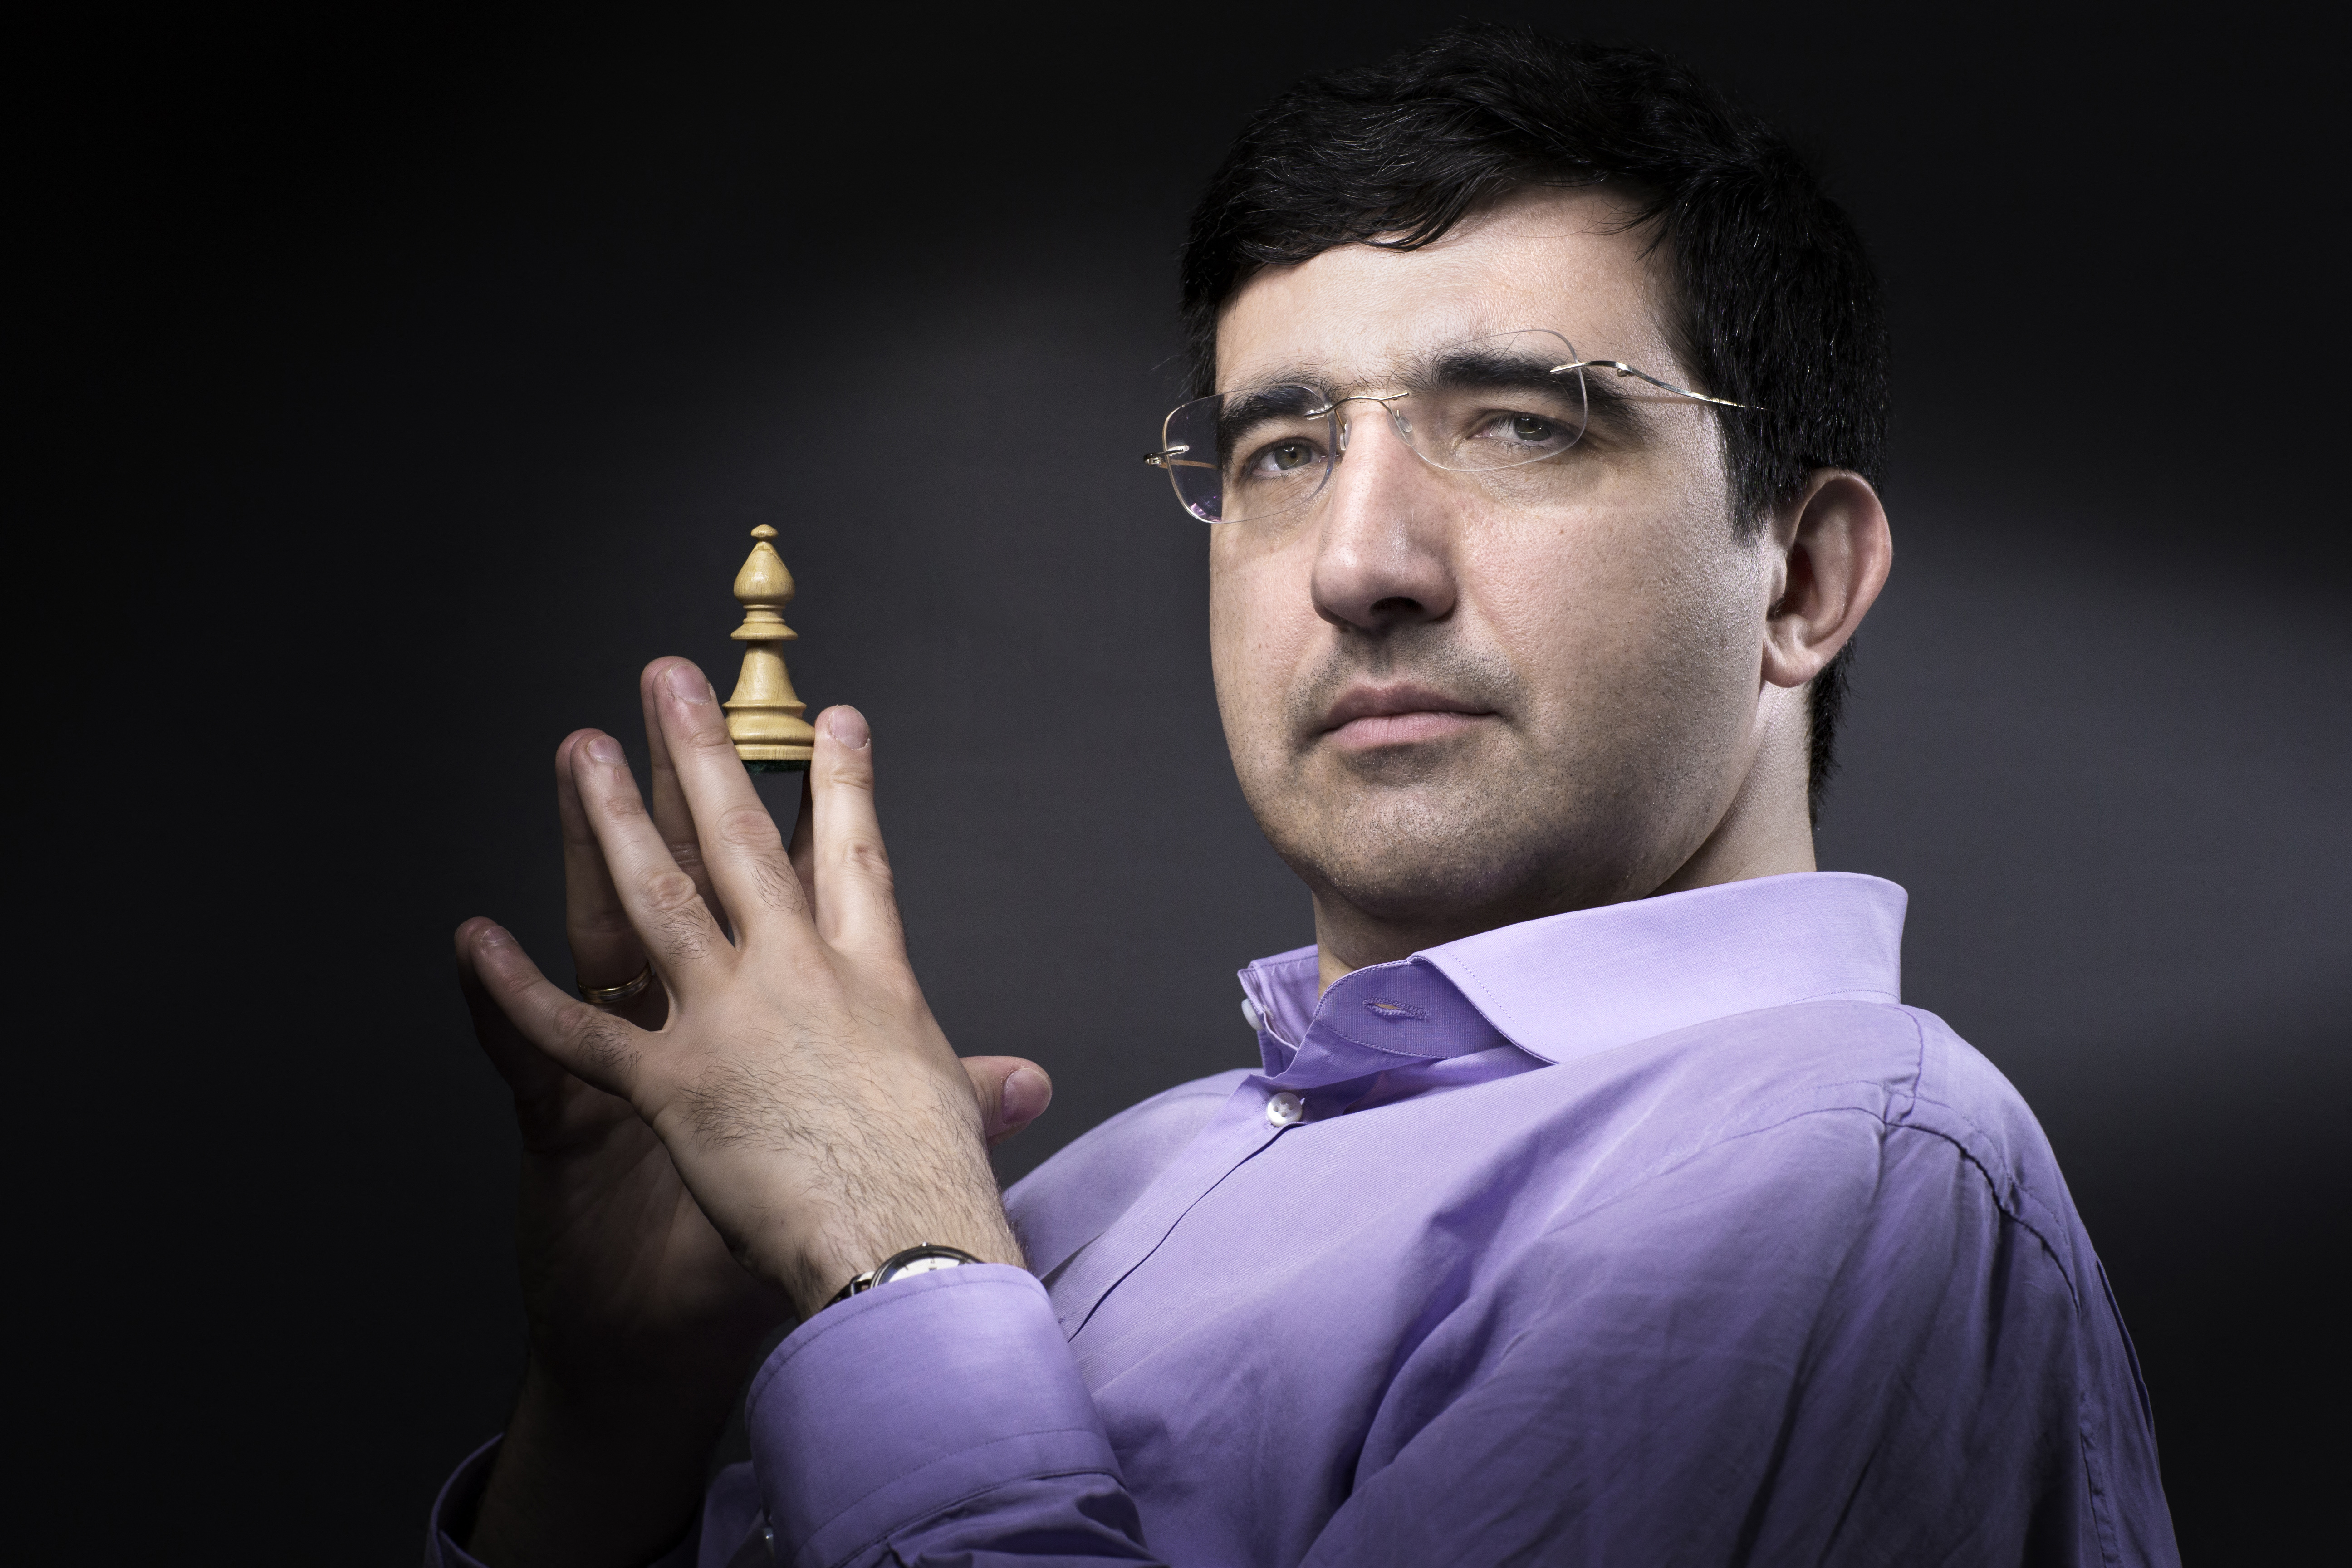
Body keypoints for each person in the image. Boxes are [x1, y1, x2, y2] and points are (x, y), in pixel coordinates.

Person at [432, 27, 2176, 1568]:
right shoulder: (1080, 1205)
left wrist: (890, 1264)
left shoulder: (1847, 1164)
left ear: (1799, 580)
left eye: (1520, 424)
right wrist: (616, 1432)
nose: (1359, 563)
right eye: (1282, 451)